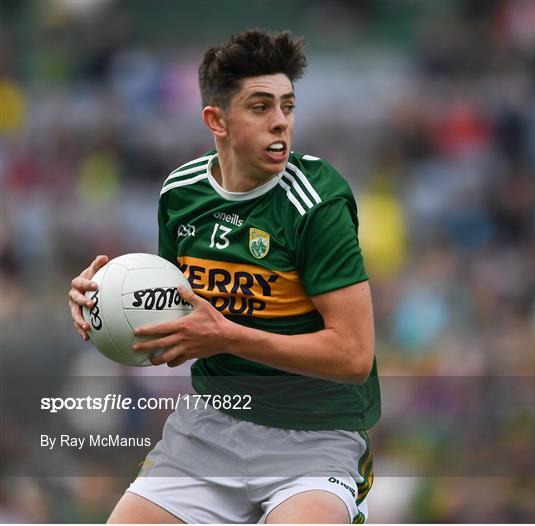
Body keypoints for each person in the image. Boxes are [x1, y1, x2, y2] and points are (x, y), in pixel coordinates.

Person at [68, 29, 380, 524]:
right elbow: (170, 320)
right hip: (211, 428)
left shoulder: (317, 200)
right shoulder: (180, 193)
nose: (281, 123)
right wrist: (101, 305)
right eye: (261, 107)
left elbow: (354, 355)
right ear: (216, 120)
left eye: (288, 106)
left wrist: (227, 337)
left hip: (316, 437)